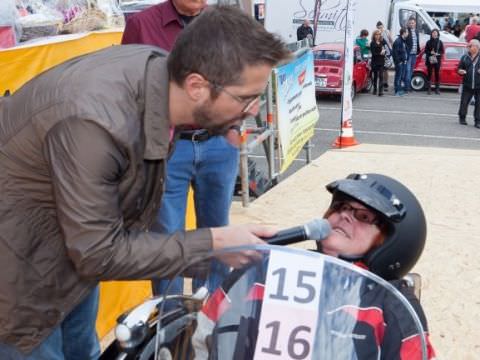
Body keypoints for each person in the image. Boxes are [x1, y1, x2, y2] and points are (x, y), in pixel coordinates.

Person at [0, 5, 290, 359]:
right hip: (19, 279)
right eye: (246, 99)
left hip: (65, 256)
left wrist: (228, 119)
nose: (254, 111)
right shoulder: (95, 123)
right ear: (197, 86)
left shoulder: (159, 74)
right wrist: (212, 242)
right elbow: (99, 252)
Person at [192, 173, 437, 359]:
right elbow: (204, 337)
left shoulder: (392, 305)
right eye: (340, 206)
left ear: (391, 241)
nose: (345, 215)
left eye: (363, 217)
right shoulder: (264, 270)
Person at [121, 0, 240, 301]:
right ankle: (170, 319)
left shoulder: (223, 22)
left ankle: (212, 309)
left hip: (218, 145)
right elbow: (127, 83)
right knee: (166, 238)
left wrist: (234, 127)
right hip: (167, 151)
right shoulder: (142, 24)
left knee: (216, 231)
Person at [457, 39, 480, 128]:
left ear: (476, 47)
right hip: (467, 84)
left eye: (470, 46)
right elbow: (459, 69)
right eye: (468, 46)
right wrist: (460, 71)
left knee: (479, 104)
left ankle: (478, 121)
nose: (468, 47)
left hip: (479, 85)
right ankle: (462, 118)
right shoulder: (465, 57)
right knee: (464, 102)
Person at [424, 29, 444, 95]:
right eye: (433, 33)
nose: (434, 34)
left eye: (435, 33)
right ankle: (429, 89)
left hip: (437, 59)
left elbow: (442, 51)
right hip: (430, 58)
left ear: (438, 34)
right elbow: (426, 51)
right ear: (431, 34)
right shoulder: (428, 42)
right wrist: (430, 52)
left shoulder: (440, 42)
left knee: (437, 74)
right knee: (429, 73)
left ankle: (437, 89)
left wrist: (438, 53)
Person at [376, 21, 393, 91]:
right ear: (377, 27)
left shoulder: (387, 31)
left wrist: (391, 48)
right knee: (381, 69)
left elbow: (391, 40)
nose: (380, 29)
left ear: (383, 26)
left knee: (386, 69)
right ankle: (381, 83)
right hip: (381, 52)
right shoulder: (377, 33)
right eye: (379, 28)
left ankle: (386, 83)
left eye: (381, 27)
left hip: (387, 52)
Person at [392, 27, 409, 96]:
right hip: (399, 63)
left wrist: (405, 60)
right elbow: (395, 53)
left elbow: (404, 51)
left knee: (401, 77)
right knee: (398, 77)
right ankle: (397, 91)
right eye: (407, 32)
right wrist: (399, 62)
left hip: (403, 62)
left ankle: (400, 90)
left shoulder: (403, 40)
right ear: (404, 33)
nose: (408, 34)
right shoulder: (398, 41)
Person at [405, 16, 420, 92]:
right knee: (407, 71)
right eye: (410, 23)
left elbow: (417, 42)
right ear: (408, 23)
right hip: (408, 54)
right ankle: (407, 87)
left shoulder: (416, 31)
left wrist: (418, 51)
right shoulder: (406, 31)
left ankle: (408, 86)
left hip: (414, 54)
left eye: (413, 23)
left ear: (415, 23)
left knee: (411, 71)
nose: (411, 24)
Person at [370, 29, 386, 96]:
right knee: (375, 76)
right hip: (375, 61)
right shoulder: (372, 43)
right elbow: (373, 53)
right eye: (376, 34)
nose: (378, 36)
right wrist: (380, 53)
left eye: (379, 34)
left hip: (381, 61)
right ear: (374, 35)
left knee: (381, 76)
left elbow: (385, 49)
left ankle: (380, 91)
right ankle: (375, 89)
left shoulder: (382, 42)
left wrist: (384, 52)